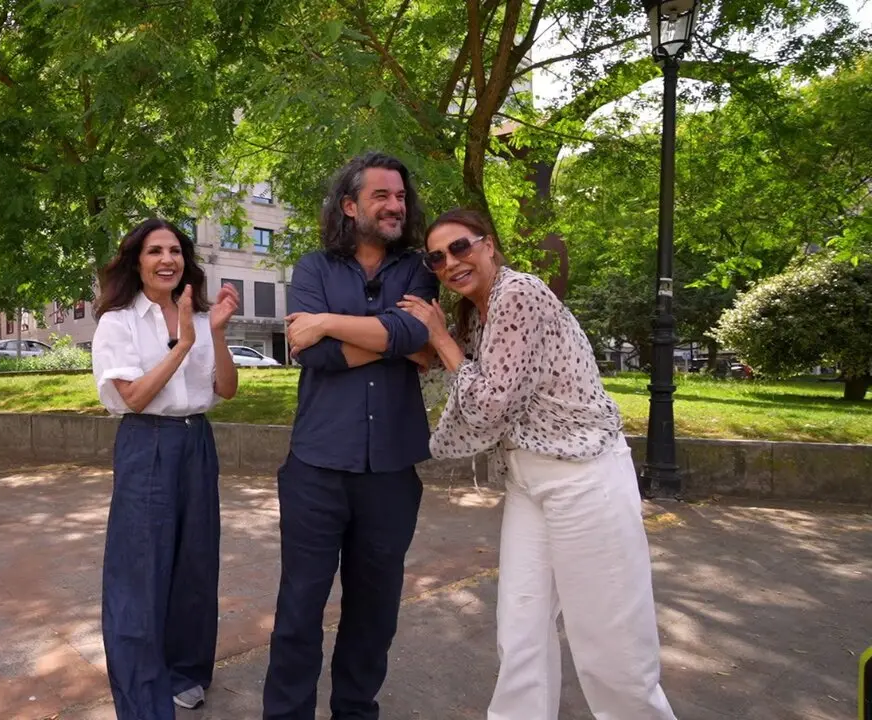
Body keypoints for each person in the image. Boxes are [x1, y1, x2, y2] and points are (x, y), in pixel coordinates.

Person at [398, 208, 677, 720]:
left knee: (611, 648)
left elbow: (488, 404)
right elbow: (471, 388)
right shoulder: (483, 313)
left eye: (460, 247)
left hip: (583, 478)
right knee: (520, 634)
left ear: (489, 244)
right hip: (528, 484)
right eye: (436, 257)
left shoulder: (519, 293)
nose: (449, 263)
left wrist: (439, 339)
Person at [263, 151, 438, 719]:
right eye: (381, 195)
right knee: (299, 607)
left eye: (400, 196)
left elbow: (421, 333)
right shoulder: (313, 268)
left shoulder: (418, 269)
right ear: (350, 204)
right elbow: (315, 353)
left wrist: (333, 324)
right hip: (316, 466)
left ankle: (355, 712)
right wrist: (397, 344)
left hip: (391, 470)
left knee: (375, 610)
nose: (395, 205)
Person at [90, 218, 241, 717]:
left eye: (175, 250)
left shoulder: (197, 316)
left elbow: (226, 389)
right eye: (155, 251)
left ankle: (187, 673)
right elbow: (133, 396)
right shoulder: (119, 321)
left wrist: (213, 333)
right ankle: (141, 698)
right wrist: (181, 346)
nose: (167, 260)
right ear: (137, 261)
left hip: (197, 441)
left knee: (196, 566)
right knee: (140, 574)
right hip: (147, 442)